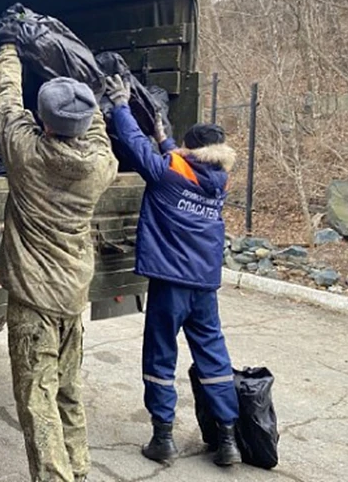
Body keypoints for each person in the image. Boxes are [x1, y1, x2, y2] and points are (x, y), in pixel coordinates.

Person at [0, 24, 118, 482]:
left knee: (36, 402)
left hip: (33, 304)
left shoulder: (27, 154)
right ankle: (78, 470)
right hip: (71, 299)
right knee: (67, 391)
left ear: (43, 121)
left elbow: (5, 102)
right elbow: (99, 132)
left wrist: (9, 47)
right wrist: (90, 88)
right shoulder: (99, 168)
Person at [105, 74, 241, 468]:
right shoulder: (219, 180)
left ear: (190, 150)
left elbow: (133, 145)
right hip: (204, 285)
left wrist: (120, 106)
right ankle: (228, 438)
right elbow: (180, 164)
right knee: (213, 356)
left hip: (170, 284)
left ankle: (163, 437)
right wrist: (164, 137)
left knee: (161, 355)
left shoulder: (166, 175)